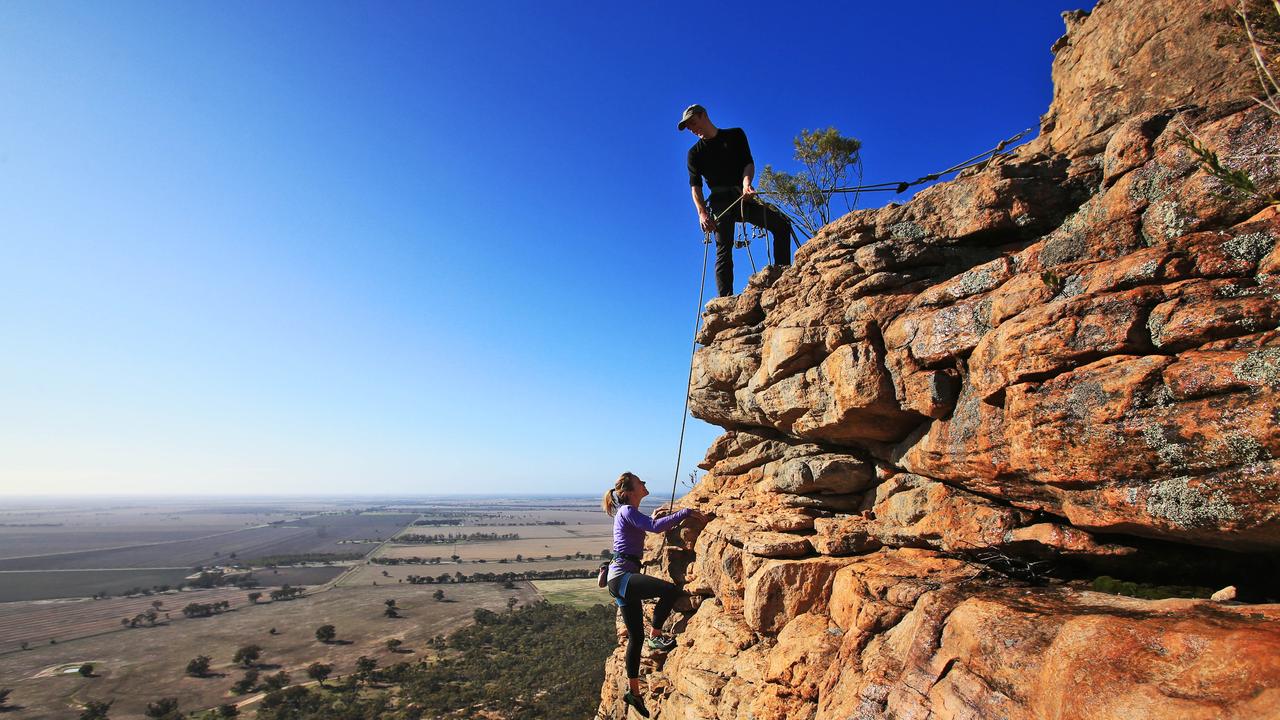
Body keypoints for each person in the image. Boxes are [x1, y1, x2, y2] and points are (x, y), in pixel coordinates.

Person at [603, 471, 706, 718]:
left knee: (635, 639)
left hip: (618, 579)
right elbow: (655, 528)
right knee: (669, 590)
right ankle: (657, 635)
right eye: (641, 482)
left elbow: (646, 525)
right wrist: (685, 513)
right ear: (629, 492)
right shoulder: (627, 510)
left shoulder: (627, 513)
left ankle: (634, 691)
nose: (645, 484)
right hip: (622, 577)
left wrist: (654, 517)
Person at [680, 103, 793, 297]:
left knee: (781, 224)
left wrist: (747, 184)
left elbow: (747, 163)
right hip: (719, 203)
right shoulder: (694, 153)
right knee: (724, 248)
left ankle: (783, 278)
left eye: (692, 122)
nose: (691, 128)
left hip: (742, 198)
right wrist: (702, 213)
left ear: (703, 115)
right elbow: (695, 186)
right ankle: (725, 301)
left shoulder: (735, 135)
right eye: (688, 127)